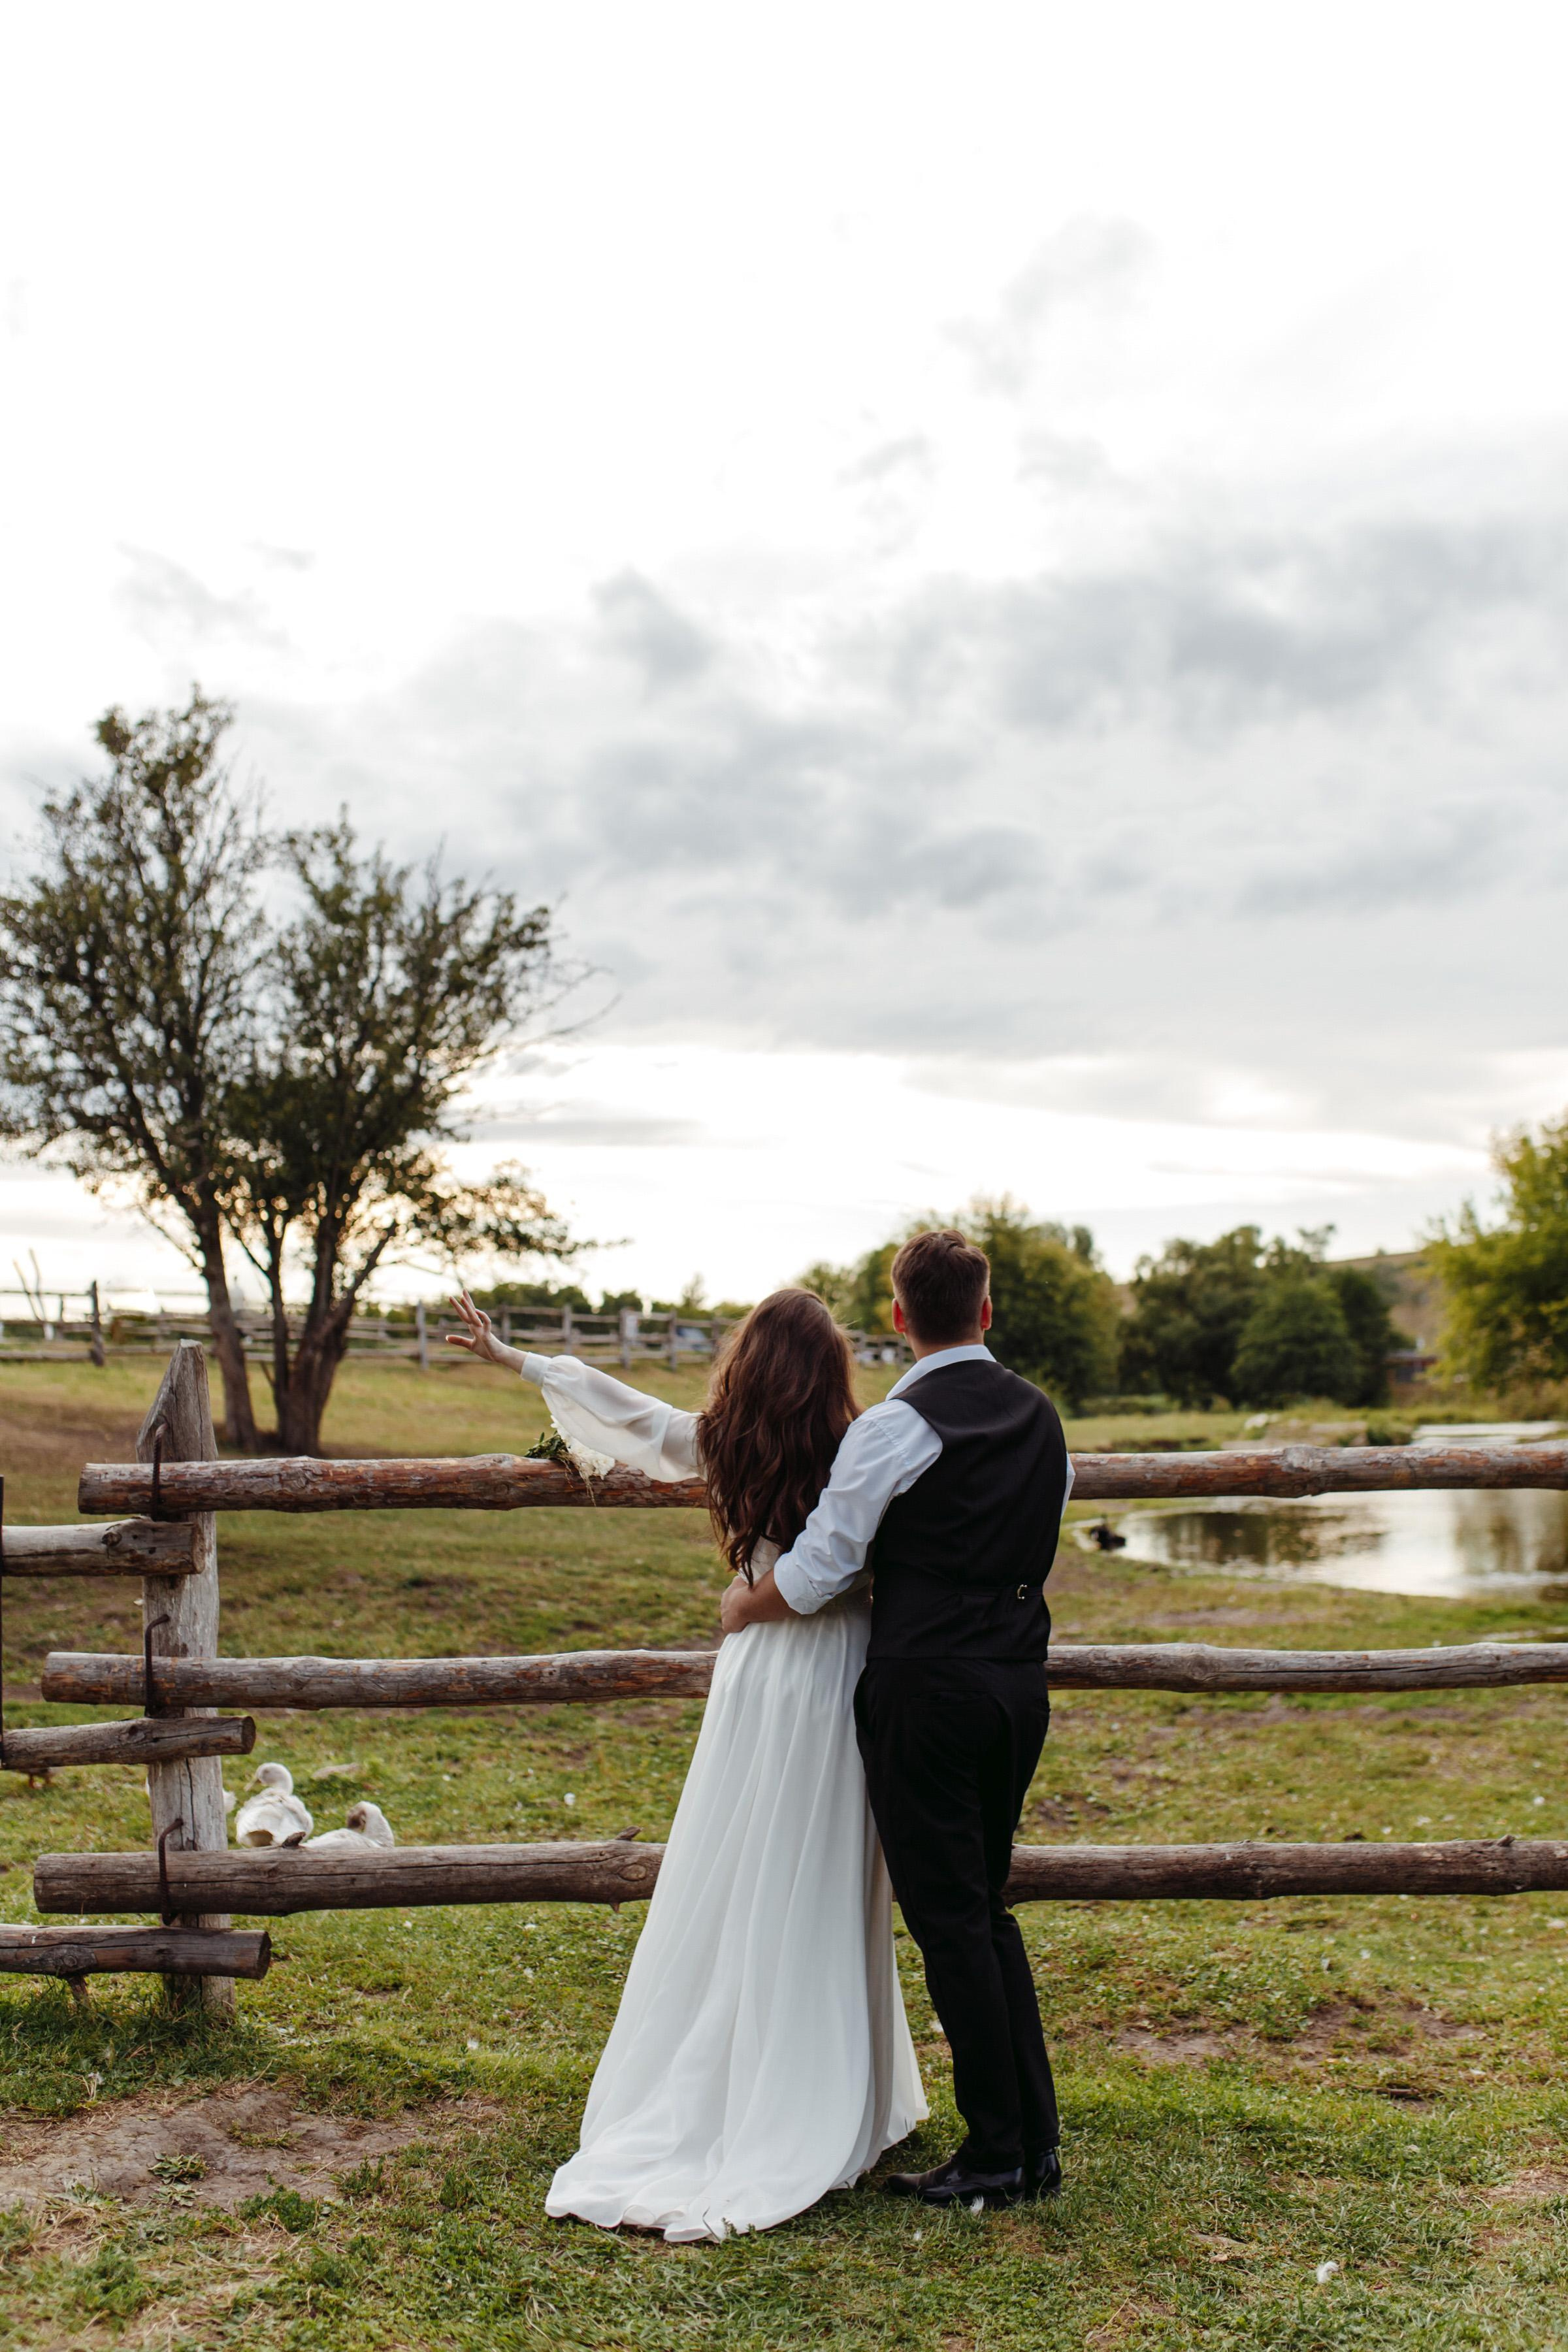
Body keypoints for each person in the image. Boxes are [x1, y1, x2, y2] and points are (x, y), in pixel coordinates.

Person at [446, 1286, 925, 2241]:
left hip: (758, 1668)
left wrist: (518, 1360)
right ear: (831, 1370)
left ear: (750, 1362)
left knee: (749, 1863)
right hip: (840, 1667)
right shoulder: (861, 1444)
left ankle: (764, 2075)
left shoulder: (725, 1441)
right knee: (822, 1870)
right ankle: (821, 2084)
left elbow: (631, 1416)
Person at [721, 1228, 1072, 2210]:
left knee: (951, 1921)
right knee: (985, 1908)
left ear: (899, 1316)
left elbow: (822, 1569)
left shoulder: (894, 1428)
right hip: (1018, 1688)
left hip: (928, 1693)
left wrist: (746, 1605)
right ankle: (1033, 2142)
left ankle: (998, 2154)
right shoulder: (1043, 1419)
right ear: (987, 1311)